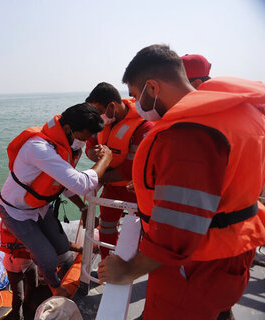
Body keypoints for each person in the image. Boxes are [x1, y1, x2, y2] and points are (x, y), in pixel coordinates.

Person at [98, 44, 265, 320]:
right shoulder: (240, 113)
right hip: (234, 254)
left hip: (195, 267)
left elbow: (176, 233)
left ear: (153, 88)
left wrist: (128, 270)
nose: (138, 106)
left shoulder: (187, 133)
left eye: (138, 95)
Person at [0, 103, 112, 298]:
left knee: (61, 246)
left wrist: (83, 207)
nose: (83, 143)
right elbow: (81, 183)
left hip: (40, 207)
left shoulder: (63, 146)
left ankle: (42, 256)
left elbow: (61, 185)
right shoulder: (38, 148)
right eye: (83, 138)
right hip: (15, 211)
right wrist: (105, 159)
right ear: (68, 129)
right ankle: (53, 284)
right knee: (48, 257)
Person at [0, 210, 91, 320]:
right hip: (13, 267)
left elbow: (56, 243)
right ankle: (17, 316)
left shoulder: (32, 228)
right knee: (18, 296)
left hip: (28, 264)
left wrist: (81, 249)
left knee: (33, 284)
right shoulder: (4, 224)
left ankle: (28, 305)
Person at [85, 82, 154, 258]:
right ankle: (106, 263)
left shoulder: (144, 126)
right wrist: (92, 154)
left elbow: (131, 169)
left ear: (112, 107)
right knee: (106, 226)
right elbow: (89, 145)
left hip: (137, 191)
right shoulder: (100, 122)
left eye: (99, 111)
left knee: (140, 231)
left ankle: (130, 264)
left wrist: (98, 177)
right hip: (111, 188)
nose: (97, 117)